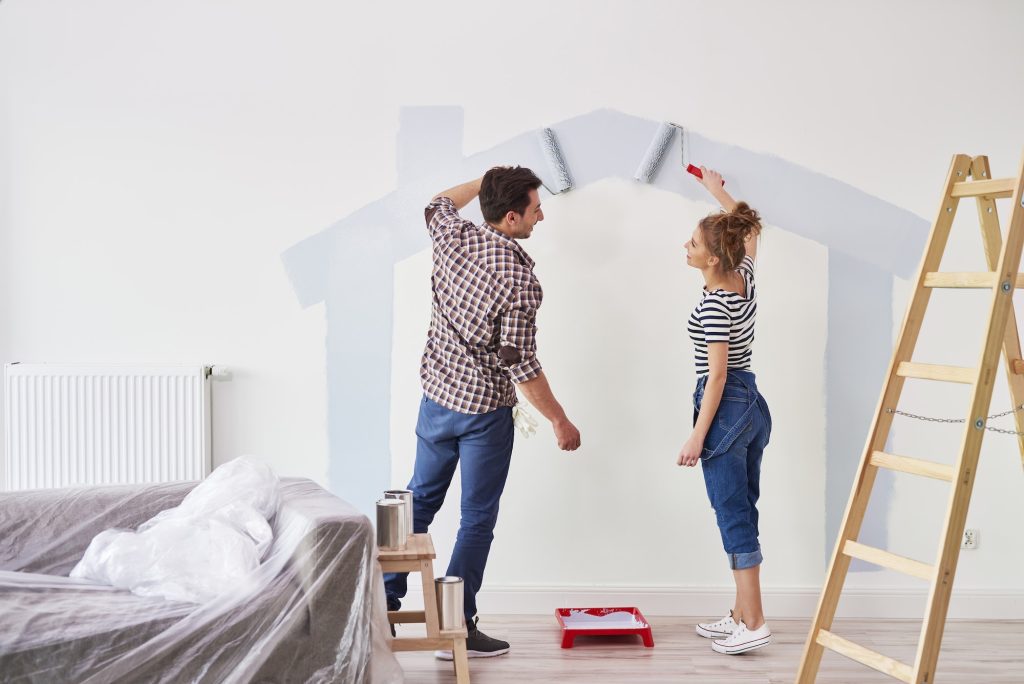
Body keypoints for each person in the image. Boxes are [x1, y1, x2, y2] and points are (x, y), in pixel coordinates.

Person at [384, 166, 582, 660]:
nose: (542, 215)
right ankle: (458, 631)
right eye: (536, 209)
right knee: (476, 519)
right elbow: (522, 363)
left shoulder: (455, 238)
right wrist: (559, 419)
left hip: (436, 402)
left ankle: (380, 609)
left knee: (419, 504)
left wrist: (487, 180)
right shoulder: (519, 279)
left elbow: (436, 203)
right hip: (484, 416)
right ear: (512, 218)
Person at [679, 167, 774, 655]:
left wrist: (698, 434)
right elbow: (751, 229)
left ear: (713, 257)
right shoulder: (743, 277)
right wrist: (716, 191)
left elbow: (716, 375)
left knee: (732, 513)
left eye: (693, 243)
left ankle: (753, 621)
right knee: (742, 508)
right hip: (752, 404)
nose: (687, 247)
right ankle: (740, 612)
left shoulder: (716, 303)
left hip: (726, 405)